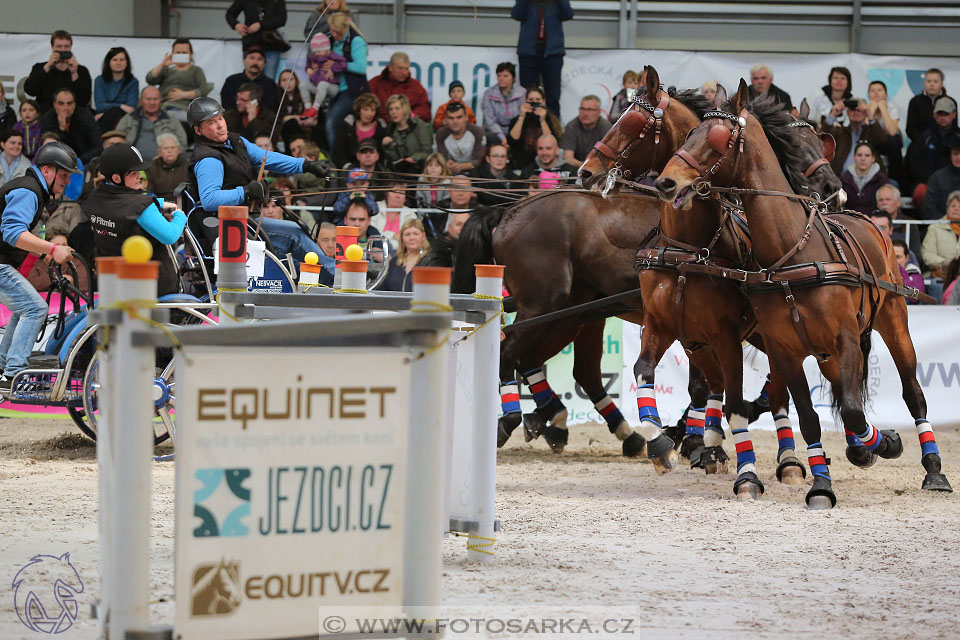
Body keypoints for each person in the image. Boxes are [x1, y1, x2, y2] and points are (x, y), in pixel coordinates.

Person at [185, 96, 333, 279]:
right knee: (294, 233)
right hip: (230, 229)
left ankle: (314, 281)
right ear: (198, 130)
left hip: (246, 221)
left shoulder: (235, 142)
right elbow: (210, 200)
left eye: (220, 119)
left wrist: (305, 165)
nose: (220, 125)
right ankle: (336, 275)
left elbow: (267, 158)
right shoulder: (208, 159)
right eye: (211, 123)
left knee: (294, 236)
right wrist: (246, 192)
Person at [0, 142, 79, 390]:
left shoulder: (32, 189)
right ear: (46, 170)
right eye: (64, 175)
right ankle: (15, 375)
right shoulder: (29, 191)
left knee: (26, 307)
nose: (66, 182)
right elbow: (12, 233)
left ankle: (3, 366)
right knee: (34, 308)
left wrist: (45, 255)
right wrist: (53, 249)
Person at [84, 143, 187, 296]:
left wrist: (156, 202)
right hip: (151, 288)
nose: (140, 176)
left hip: (113, 284)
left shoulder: (94, 197)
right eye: (133, 173)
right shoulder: (142, 208)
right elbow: (170, 236)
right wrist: (180, 215)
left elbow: (119, 203)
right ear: (117, 178)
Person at [511, 0, 573, 118]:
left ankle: (554, 131)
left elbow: (568, 14)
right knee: (527, 95)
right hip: (528, 52)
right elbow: (517, 14)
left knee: (553, 97)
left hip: (553, 52)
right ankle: (528, 128)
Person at [323, 13, 369, 149]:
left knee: (332, 123)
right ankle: (335, 157)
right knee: (327, 123)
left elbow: (361, 67)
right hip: (336, 90)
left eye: (336, 32)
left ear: (344, 29)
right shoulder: (332, 40)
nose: (333, 34)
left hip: (352, 91)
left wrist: (340, 65)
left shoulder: (356, 41)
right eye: (331, 30)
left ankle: (335, 160)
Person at [24, 30, 93, 113]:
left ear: (71, 47)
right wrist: (47, 66)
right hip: (45, 115)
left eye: (66, 46)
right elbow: (30, 91)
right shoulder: (40, 68)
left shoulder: (81, 71)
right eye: (59, 46)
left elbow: (84, 99)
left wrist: (74, 73)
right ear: (52, 47)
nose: (63, 50)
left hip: (73, 117)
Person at [146, 38, 212, 122]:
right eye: (178, 53)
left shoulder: (196, 70)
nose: (181, 55)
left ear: (191, 54)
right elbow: (150, 79)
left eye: (184, 53)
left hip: (184, 108)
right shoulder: (166, 70)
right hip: (163, 106)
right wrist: (163, 64)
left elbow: (203, 91)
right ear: (172, 54)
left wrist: (183, 95)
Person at [820, 98, 890, 176]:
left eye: (859, 110)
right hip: (841, 179)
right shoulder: (839, 132)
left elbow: (882, 141)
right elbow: (820, 140)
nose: (856, 112)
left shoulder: (871, 132)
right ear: (847, 112)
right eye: (852, 109)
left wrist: (870, 117)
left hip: (870, 180)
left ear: (865, 113)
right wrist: (833, 114)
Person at [116, 86, 188, 160]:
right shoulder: (129, 118)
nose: (152, 102)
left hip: (164, 165)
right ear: (141, 101)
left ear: (160, 101)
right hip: (133, 164)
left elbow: (183, 143)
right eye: (148, 99)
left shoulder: (171, 119)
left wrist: (168, 156)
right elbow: (116, 140)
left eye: (155, 99)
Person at [226, 0, 290, 81]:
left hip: (271, 45)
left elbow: (282, 19)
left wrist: (260, 25)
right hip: (251, 45)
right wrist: (236, 24)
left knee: (269, 80)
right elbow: (230, 14)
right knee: (249, 78)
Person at [908, 96, 960, 187]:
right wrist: (932, 181)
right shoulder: (925, 137)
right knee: (920, 192)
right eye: (940, 114)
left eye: (946, 114)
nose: (943, 117)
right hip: (929, 183)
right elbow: (916, 165)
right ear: (934, 115)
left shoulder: (958, 136)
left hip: (957, 183)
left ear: (954, 114)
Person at [507, 86, 563, 169]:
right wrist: (522, 116)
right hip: (521, 163)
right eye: (531, 100)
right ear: (526, 101)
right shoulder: (518, 119)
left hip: (546, 162)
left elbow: (551, 142)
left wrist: (542, 120)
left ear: (543, 101)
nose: (534, 102)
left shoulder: (551, 120)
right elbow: (513, 139)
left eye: (538, 100)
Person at [40, 88, 101, 163]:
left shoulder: (85, 116)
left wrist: (80, 161)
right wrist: (62, 128)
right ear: (54, 104)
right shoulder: (48, 118)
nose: (65, 108)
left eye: (69, 103)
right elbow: (50, 148)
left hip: (84, 160)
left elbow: (98, 146)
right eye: (61, 103)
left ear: (74, 104)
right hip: (59, 161)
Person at [369, 52, 431, 122]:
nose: (404, 72)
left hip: (408, 128)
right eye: (400, 68)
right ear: (390, 67)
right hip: (381, 127)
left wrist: (408, 117)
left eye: (406, 68)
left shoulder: (416, 87)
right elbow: (366, 106)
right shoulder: (375, 84)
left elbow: (425, 111)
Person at [382, 94, 434, 175]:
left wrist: (413, 158)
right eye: (390, 109)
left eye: (397, 108)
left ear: (405, 109)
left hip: (421, 170)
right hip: (400, 173)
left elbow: (427, 151)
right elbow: (394, 158)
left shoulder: (419, 125)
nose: (393, 112)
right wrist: (387, 147)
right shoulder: (390, 129)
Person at [332, 93, 386, 168]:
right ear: (359, 110)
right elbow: (338, 153)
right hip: (350, 170)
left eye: (373, 110)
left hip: (375, 171)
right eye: (366, 109)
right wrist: (349, 168)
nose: (369, 114)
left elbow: (383, 156)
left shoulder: (381, 128)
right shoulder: (348, 126)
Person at [866, 80, 904, 184]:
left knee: (895, 141)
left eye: (879, 90)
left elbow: (892, 132)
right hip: (870, 142)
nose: (876, 93)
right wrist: (871, 110)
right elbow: (863, 131)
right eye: (872, 91)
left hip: (887, 143)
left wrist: (883, 109)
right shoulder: (865, 108)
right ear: (868, 95)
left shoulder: (891, 108)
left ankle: (895, 182)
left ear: (886, 95)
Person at [481, 62, 526, 147]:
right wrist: (501, 136)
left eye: (505, 76)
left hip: (516, 129)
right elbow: (489, 121)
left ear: (513, 78)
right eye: (499, 76)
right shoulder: (489, 94)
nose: (501, 79)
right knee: (491, 136)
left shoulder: (522, 93)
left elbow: (522, 116)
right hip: (496, 132)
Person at [221, 46, 279, 112]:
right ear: (244, 61)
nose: (255, 62)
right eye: (252, 58)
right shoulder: (231, 81)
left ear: (264, 64)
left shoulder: (270, 84)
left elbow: (270, 108)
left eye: (260, 59)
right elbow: (227, 105)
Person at [94, 47, 139, 132]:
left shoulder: (133, 82)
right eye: (115, 60)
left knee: (116, 112)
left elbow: (131, 109)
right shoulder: (100, 80)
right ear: (109, 62)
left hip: (125, 119)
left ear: (127, 62)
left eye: (122, 60)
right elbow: (99, 106)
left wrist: (107, 111)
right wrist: (121, 106)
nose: (118, 63)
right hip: (104, 118)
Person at [840, 141, 890, 215]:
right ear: (854, 157)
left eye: (867, 155)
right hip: (849, 222)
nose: (863, 158)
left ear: (873, 158)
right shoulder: (843, 180)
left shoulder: (882, 180)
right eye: (859, 155)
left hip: (875, 222)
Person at [381, 217, 429, 291]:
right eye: (407, 234)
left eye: (415, 234)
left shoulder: (430, 260)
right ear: (402, 238)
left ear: (423, 236)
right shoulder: (395, 261)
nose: (411, 238)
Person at [436, 103, 485, 175]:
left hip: (474, 171)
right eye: (451, 118)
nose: (455, 122)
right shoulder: (441, 134)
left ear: (466, 117)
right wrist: (448, 163)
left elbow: (480, 161)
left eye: (459, 117)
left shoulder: (477, 132)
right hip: (450, 172)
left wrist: (461, 166)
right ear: (446, 119)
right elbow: (442, 159)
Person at [562, 95, 611, 166]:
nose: (585, 113)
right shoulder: (571, 127)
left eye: (590, 110)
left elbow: (609, 157)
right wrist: (584, 166)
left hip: (600, 168)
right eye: (582, 109)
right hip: (577, 169)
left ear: (599, 112)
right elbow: (568, 158)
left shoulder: (606, 127)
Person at [921, 189, 960, 278]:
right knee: (937, 284)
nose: (956, 209)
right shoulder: (935, 228)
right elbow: (927, 255)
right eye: (953, 206)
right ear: (947, 208)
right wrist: (944, 262)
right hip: (940, 274)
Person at [372, 179, 417, 250]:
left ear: (405, 198)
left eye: (401, 192)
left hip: (402, 253)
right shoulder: (376, 208)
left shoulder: (410, 213)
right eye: (394, 191)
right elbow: (372, 233)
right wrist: (393, 235)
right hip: (377, 249)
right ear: (387, 194)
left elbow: (412, 238)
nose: (398, 196)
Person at [306, 33, 347, 110]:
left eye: (319, 51)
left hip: (331, 86)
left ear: (326, 48)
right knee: (303, 85)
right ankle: (307, 107)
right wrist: (308, 69)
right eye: (315, 51)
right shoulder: (314, 57)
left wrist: (333, 68)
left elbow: (344, 64)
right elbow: (308, 63)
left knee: (322, 84)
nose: (317, 53)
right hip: (318, 85)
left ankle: (315, 108)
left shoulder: (332, 55)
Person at [922, 140, 960, 221]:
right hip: (942, 227)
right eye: (955, 154)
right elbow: (929, 209)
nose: (958, 158)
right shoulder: (937, 177)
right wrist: (946, 222)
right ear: (950, 155)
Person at [906, 68, 947, 143]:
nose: (932, 84)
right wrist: (923, 141)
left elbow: (953, 128)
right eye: (929, 81)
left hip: (943, 143)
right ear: (924, 83)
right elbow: (910, 129)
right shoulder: (915, 101)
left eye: (935, 81)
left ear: (941, 84)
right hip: (920, 142)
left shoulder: (948, 102)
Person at [145, 134, 190, 201]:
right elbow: (149, 192)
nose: (169, 151)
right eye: (166, 148)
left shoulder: (188, 166)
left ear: (178, 150)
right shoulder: (151, 168)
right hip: (159, 205)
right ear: (159, 152)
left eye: (173, 147)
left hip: (185, 205)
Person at [892, 238, 925, 304]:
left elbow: (916, 299)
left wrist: (902, 273)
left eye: (898, 257)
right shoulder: (881, 273)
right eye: (892, 257)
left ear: (907, 258)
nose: (894, 261)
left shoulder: (914, 273)